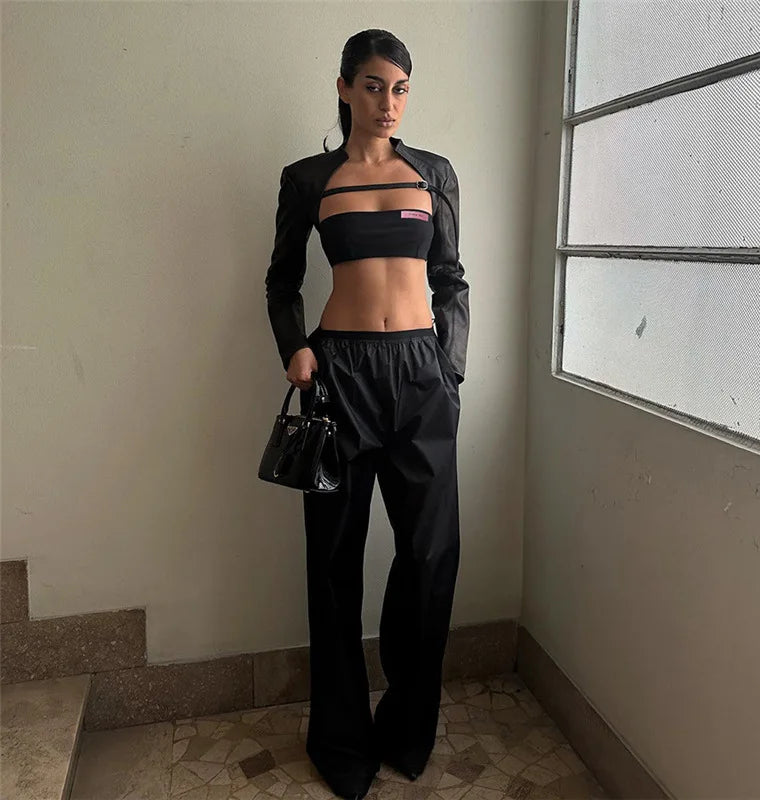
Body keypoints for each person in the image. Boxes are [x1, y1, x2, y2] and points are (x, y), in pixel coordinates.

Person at [264, 28, 469, 800]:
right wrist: (295, 348)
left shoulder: (434, 174)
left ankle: (407, 730)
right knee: (333, 564)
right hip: (339, 377)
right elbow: (281, 281)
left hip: (420, 378)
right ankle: (341, 743)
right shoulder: (308, 178)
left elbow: (450, 278)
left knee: (430, 557)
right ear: (345, 87)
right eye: (375, 86)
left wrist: (449, 370)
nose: (389, 103)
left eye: (401, 89)